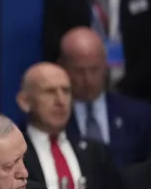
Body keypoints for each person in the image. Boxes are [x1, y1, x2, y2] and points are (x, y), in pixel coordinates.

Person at [16, 62, 124, 189]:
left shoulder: (96, 152)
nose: (60, 100)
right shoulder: (12, 155)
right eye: (49, 91)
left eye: (66, 91)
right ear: (25, 101)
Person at [59, 27, 151, 169]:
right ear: (63, 67)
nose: (87, 79)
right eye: (79, 71)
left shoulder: (139, 116)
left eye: (94, 69)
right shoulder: (53, 119)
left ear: (105, 65)